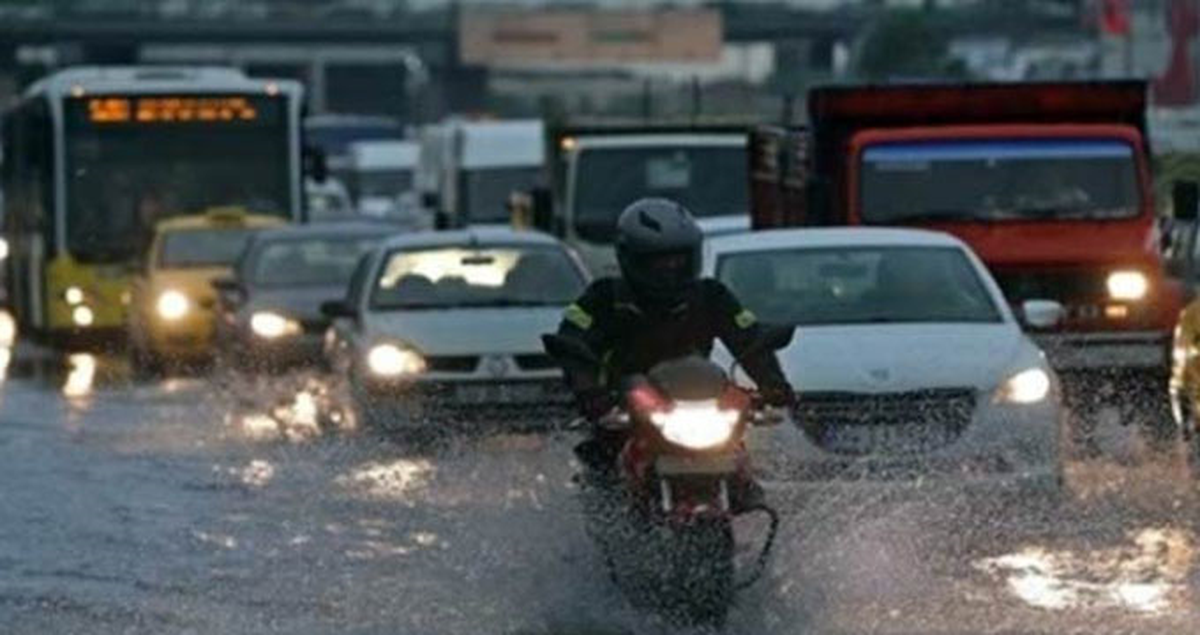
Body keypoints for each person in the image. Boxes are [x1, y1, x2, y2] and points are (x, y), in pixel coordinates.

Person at [553, 197, 795, 476]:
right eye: (659, 262)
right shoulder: (603, 298)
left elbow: (748, 337)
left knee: (742, 461)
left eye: (679, 259)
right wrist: (590, 392)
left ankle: (742, 491)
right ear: (630, 259)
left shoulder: (711, 295)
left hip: (700, 401)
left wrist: (773, 384)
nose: (670, 268)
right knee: (601, 465)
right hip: (624, 410)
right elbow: (573, 340)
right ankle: (607, 509)